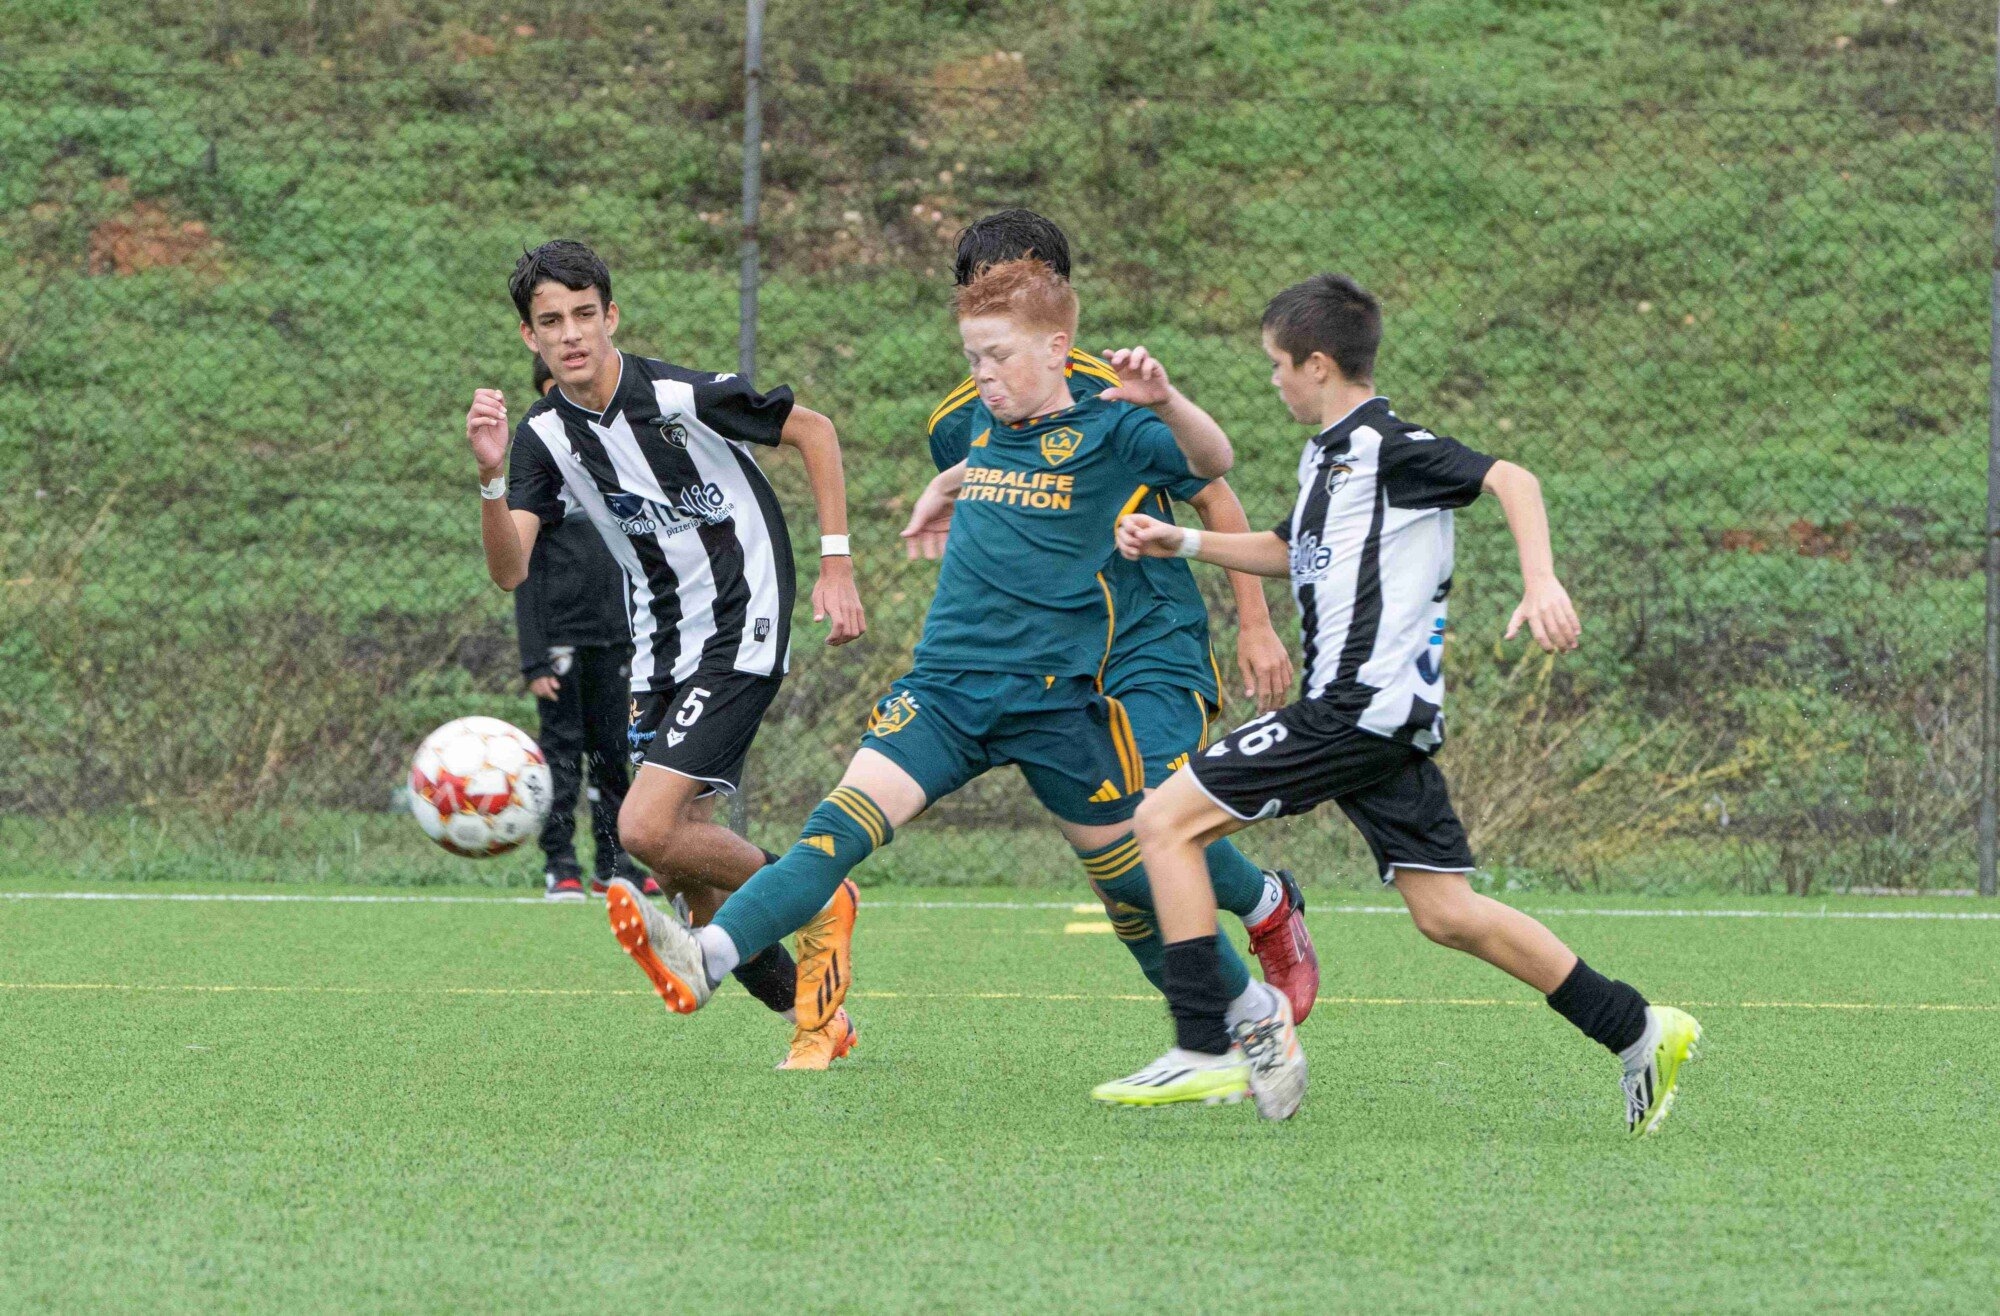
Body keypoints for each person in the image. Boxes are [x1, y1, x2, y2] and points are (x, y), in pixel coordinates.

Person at [602, 259, 1300, 1108]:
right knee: (838, 828)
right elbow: (1006, 467)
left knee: (1134, 884)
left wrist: (1167, 400)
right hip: (946, 693)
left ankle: (1247, 1016)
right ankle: (709, 956)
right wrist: (947, 485)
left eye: (999, 356)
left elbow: (1212, 460)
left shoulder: (1116, 430)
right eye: (972, 356)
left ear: (1057, 347)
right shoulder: (979, 422)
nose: (983, 374)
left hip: (1057, 705)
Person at [1098, 274, 1702, 1133]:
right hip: (1382, 720)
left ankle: (1206, 1044)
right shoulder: (1328, 456)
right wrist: (1181, 540)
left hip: (1353, 708)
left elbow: (1513, 479)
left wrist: (1540, 580)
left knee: (1161, 823)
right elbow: (1287, 549)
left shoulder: (1386, 443)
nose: (1272, 381)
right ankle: (1637, 1027)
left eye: (1277, 365)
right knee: (1447, 915)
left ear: (1317, 364)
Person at [465, 239, 868, 1069]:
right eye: (551, 322)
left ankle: (820, 891)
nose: (571, 334)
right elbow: (512, 570)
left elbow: (816, 432)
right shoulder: (543, 438)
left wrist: (837, 562)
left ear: (611, 317)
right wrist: (490, 479)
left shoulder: (682, 396)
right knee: (692, 879)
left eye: (585, 315)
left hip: (741, 619)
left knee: (643, 825)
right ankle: (815, 1014)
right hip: (658, 647)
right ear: (529, 339)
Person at [919, 209, 1320, 1019]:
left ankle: (1265, 913)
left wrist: (1254, 622)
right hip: (1056, 661)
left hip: (1148, 638)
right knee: (1123, 878)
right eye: (978, 286)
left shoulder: (1114, 389)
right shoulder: (959, 418)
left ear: (1057, 294)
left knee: (1159, 819)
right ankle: (1219, 1027)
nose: (997, 296)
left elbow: (1214, 488)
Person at [515, 355, 653, 902]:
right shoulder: (536, 473)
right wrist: (534, 657)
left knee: (613, 755)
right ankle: (560, 863)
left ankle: (614, 865)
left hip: (618, 638)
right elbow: (519, 574)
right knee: (562, 755)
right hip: (561, 642)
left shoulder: (619, 462)